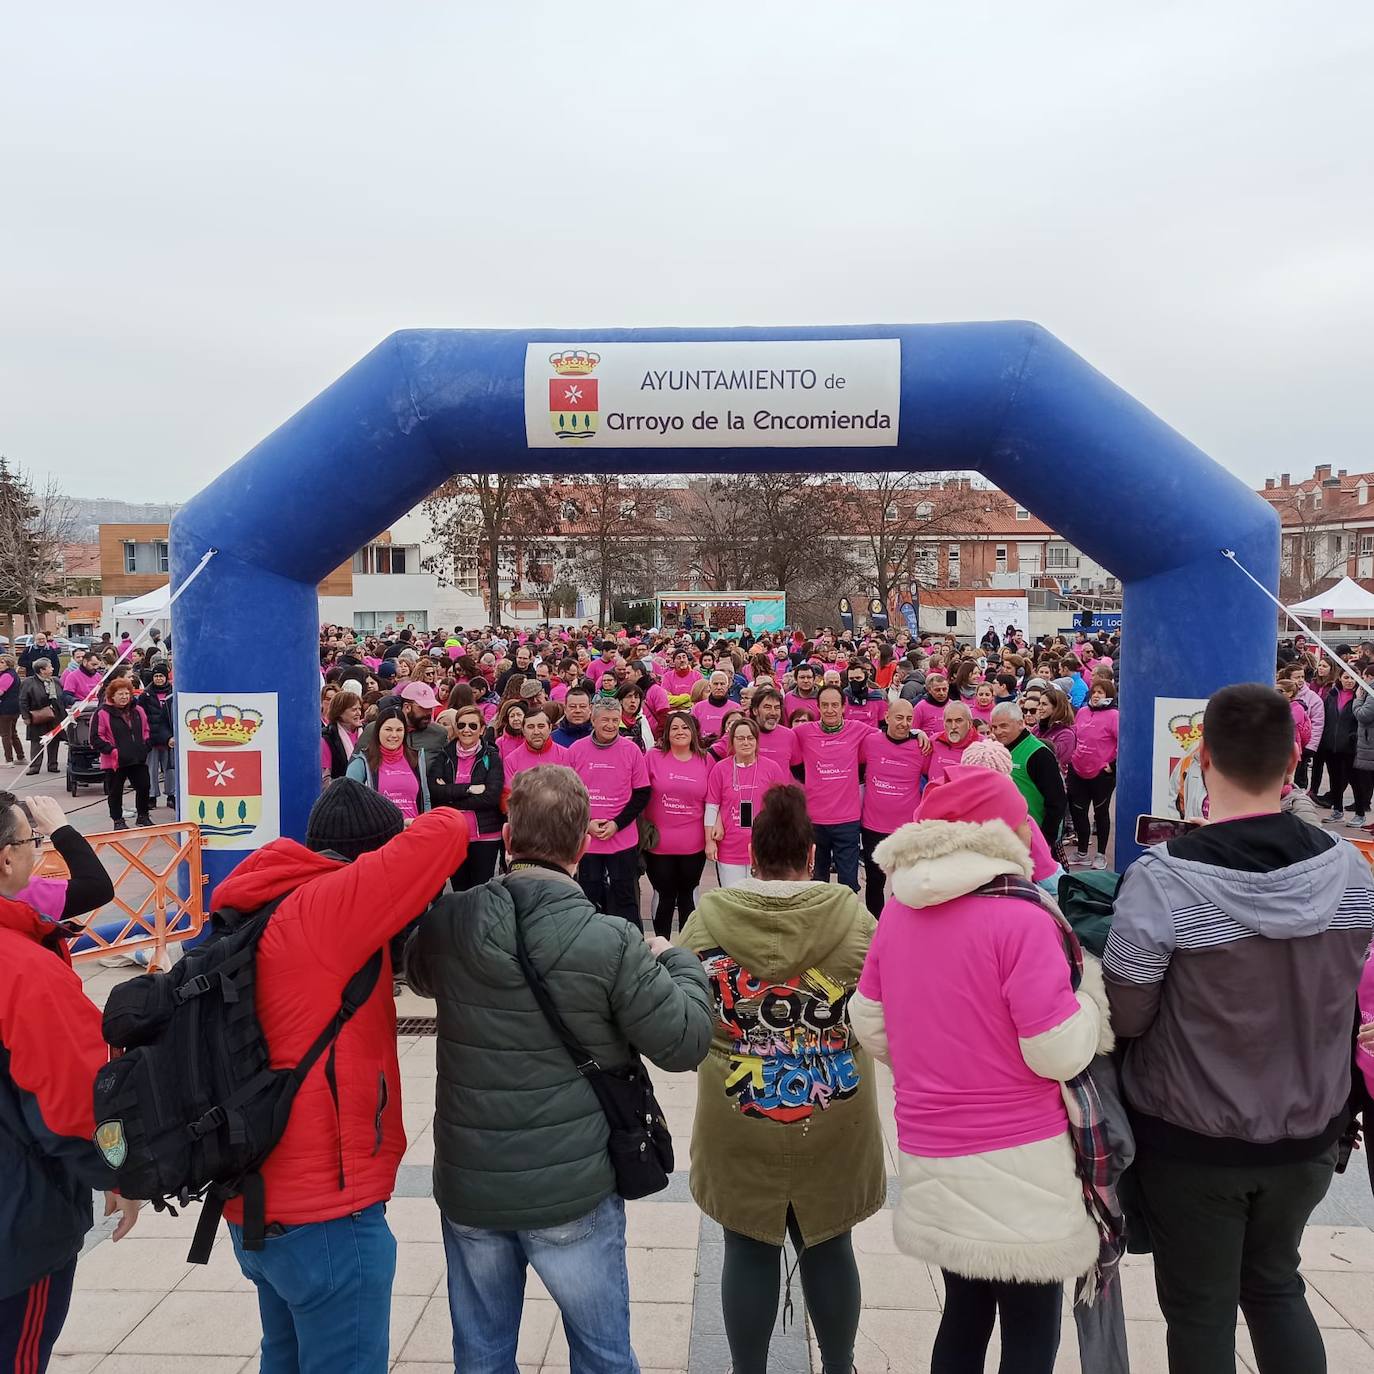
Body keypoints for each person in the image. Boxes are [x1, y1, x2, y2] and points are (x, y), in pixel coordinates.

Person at [405, 765, 712, 1372]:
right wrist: (679, 962)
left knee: (481, 1355)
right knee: (602, 1355)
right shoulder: (611, 940)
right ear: (582, 845)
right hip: (572, 1186)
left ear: (508, 838)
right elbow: (684, 1042)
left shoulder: (454, 920)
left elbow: (416, 972)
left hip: (472, 1181)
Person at [1104, 683, 1374, 1374]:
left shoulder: (1163, 880)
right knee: (1277, 1285)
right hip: (1309, 1132)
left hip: (1191, 1139)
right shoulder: (1350, 868)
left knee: (1200, 1310)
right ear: (1293, 761)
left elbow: (1128, 1010)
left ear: (1201, 760)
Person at [851, 767, 1111, 1374]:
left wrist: (933, 1059)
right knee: (1031, 1323)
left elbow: (869, 1020)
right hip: (1023, 1155)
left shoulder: (899, 912)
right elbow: (1054, 1048)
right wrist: (1091, 1009)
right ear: (998, 831)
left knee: (963, 1313)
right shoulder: (1023, 918)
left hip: (931, 1144)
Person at [211, 782, 469, 1373]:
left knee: (284, 1356)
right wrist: (399, 842)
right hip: (324, 1216)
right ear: (371, 860)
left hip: (257, 1200)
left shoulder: (266, 899)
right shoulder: (331, 906)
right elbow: (450, 829)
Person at [678, 783, 885, 1374]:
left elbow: (678, 1004)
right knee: (831, 1242)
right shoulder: (855, 922)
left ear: (754, 854)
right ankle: (839, 1365)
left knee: (746, 1243)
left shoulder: (708, 920)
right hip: (834, 1108)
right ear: (811, 855)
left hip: (738, 1107)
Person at [0, 791, 139, 1371]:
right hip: (18, 1226)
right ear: (7, 859)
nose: (37, 853)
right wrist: (119, 1171)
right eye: (31, 842)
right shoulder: (24, 970)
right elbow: (72, 1103)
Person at [567, 698, 651, 925]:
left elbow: (642, 793)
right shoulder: (576, 750)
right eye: (605, 720)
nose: (611, 725)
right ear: (593, 720)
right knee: (588, 895)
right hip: (587, 838)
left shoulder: (631, 750)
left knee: (625, 896)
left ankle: (631, 939)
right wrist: (587, 824)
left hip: (622, 838)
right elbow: (567, 794)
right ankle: (589, 938)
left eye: (615, 720)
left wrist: (617, 824)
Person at [790, 685, 870, 892]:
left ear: (844, 706)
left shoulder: (858, 729)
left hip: (847, 821)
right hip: (814, 821)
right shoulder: (803, 732)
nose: (830, 710)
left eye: (835, 705)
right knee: (816, 883)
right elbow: (776, 737)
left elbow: (889, 737)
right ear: (817, 707)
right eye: (825, 705)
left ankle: (846, 914)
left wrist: (916, 733)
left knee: (848, 885)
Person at [858, 697, 929, 918]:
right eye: (899, 718)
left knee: (903, 883)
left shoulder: (921, 747)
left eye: (909, 719)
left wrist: (920, 733)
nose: (904, 723)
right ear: (887, 717)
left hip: (905, 829)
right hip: (873, 825)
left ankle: (898, 924)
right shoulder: (870, 742)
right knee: (875, 880)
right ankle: (875, 925)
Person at [643, 711, 711, 939]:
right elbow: (638, 792)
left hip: (694, 844)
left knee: (688, 895)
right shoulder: (653, 757)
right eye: (674, 728)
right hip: (658, 844)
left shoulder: (705, 760)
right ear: (666, 733)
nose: (680, 732)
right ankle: (661, 946)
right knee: (664, 894)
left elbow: (713, 801)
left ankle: (687, 946)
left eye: (685, 727)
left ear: (693, 732)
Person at [427, 703, 505, 891]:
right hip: (454, 836)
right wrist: (469, 789)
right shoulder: (445, 756)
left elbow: (491, 797)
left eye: (472, 725)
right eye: (461, 725)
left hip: (485, 837)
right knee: (459, 892)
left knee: (480, 893)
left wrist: (451, 794)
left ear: (482, 729)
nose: (466, 730)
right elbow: (435, 792)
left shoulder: (492, 756)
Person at [705, 718, 788, 889]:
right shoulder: (720, 769)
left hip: (763, 849)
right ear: (732, 741)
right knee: (733, 899)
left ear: (757, 741)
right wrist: (709, 841)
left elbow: (782, 808)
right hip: (729, 849)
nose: (746, 742)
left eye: (750, 738)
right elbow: (712, 806)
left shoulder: (772, 768)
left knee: (760, 898)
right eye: (740, 738)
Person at [989, 701, 1067, 852]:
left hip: (1034, 837)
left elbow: (1057, 801)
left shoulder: (1039, 754)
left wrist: (1046, 840)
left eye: (1004, 726)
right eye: (994, 727)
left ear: (1020, 723)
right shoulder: (997, 749)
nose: (998, 732)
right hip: (1006, 837)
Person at [1066, 679, 1120, 868]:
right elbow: (1075, 736)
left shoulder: (1114, 715)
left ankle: (1100, 855)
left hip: (1101, 774)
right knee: (1078, 812)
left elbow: (1124, 742)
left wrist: (1112, 765)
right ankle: (1082, 852)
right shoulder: (1082, 712)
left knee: (1100, 813)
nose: (1096, 695)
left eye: (1100, 692)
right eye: (1094, 692)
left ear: (1109, 695)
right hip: (1078, 769)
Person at [346, 705, 433, 818]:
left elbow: (425, 799)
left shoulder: (416, 758)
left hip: (414, 827)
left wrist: (425, 823)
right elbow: (349, 800)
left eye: (399, 730)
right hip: (381, 828)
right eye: (388, 729)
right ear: (378, 731)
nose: (394, 735)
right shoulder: (362, 761)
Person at [93, 677, 152, 829]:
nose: (124, 697)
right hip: (115, 761)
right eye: (120, 694)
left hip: (137, 758)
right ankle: (118, 820)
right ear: (112, 696)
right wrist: (112, 751)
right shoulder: (102, 713)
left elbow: (146, 730)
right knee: (115, 792)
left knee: (144, 786)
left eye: (127, 693)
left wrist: (145, 745)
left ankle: (143, 815)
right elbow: (96, 737)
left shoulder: (138, 710)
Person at [1318, 669, 1358, 820]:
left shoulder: (1359, 697)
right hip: (1331, 745)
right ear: (1340, 678)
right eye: (1346, 677)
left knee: (1355, 780)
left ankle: (1360, 813)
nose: (1349, 681)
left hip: (1350, 747)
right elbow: (1325, 718)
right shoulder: (1332, 695)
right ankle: (1337, 810)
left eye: (1353, 678)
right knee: (1335, 779)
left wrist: (1353, 737)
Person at [137, 663, 176, 808]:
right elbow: (141, 716)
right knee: (151, 769)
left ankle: (171, 795)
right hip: (152, 738)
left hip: (168, 739)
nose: (158, 679)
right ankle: (152, 796)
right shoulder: (145, 695)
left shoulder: (173, 693)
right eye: (156, 676)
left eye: (161, 676)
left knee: (170, 769)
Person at [503, 706, 569, 781]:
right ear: (523, 730)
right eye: (530, 727)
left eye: (541, 726)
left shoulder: (566, 755)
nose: (536, 732)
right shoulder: (511, 761)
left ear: (550, 728)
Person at [18, 659, 61, 776]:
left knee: (54, 740)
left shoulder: (55, 681)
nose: (52, 669)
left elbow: (61, 698)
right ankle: (35, 766)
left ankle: (53, 765)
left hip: (54, 716)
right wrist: (26, 716)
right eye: (49, 667)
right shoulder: (28, 682)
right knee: (37, 741)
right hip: (37, 715)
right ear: (42, 670)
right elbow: (23, 700)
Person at [321, 689, 364, 782]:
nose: (359, 713)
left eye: (359, 709)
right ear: (340, 712)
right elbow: (325, 778)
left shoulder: (366, 733)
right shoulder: (328, 738)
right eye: (354, 710)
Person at [692, 669, 736, 743]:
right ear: (710, 686)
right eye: (715, 684)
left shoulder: (736, 708)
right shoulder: (697, 708)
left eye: (722, 684)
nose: (719, 687)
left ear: (728, 686)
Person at [551, 683, 594, 748]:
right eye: (572, 706)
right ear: (565, 709)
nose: (577, 711)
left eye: (582, 706)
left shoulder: (599, 737)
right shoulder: (553, 739)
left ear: (590, 708)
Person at [0, 654, 23, 766]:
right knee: (13, 733)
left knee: (5, 734)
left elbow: (0, 691)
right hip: (13, 707)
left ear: (8, 664)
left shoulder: (7, 675)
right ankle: (21, 756)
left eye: (2, 662)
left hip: (6, 708)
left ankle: (9, 760)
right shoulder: (12, 674)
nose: (0, 664)